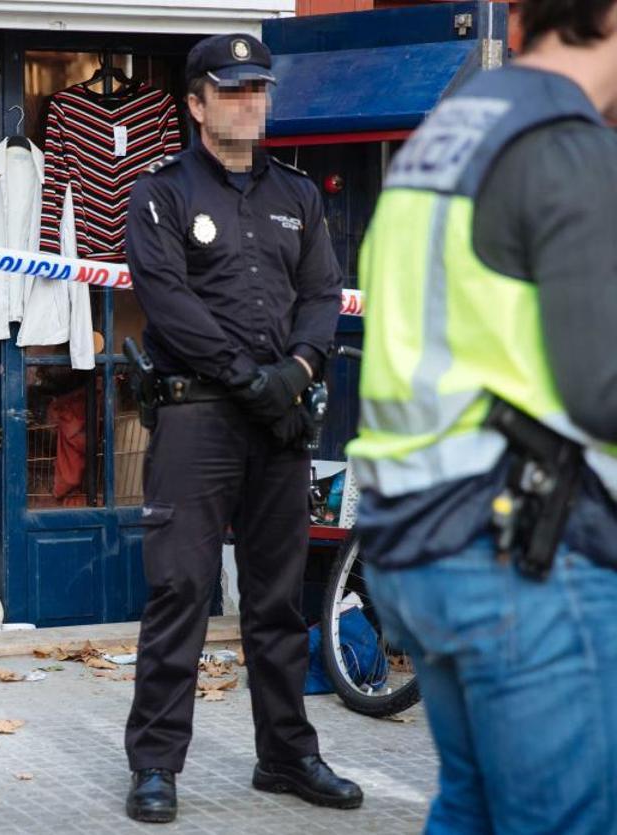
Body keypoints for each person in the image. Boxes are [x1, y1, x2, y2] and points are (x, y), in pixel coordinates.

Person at [350, 1, 617, 832]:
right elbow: (600, 388)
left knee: (471, 807)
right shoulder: (570, 149)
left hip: (415, 541)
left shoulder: (441, 139)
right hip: (528, 555)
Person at [122, 33, 360, 824]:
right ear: (196, 104)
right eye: (230, 90)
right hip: (198, 414)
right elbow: (169, 303)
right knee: (181, 589)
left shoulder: (298, 195)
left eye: (257, 88)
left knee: (278, 599)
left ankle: (286, 755)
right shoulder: (160, 195)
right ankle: (156, 764)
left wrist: (298, 369)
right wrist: (247, 376)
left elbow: (322, 294)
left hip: (281, 416)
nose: (248, 101)